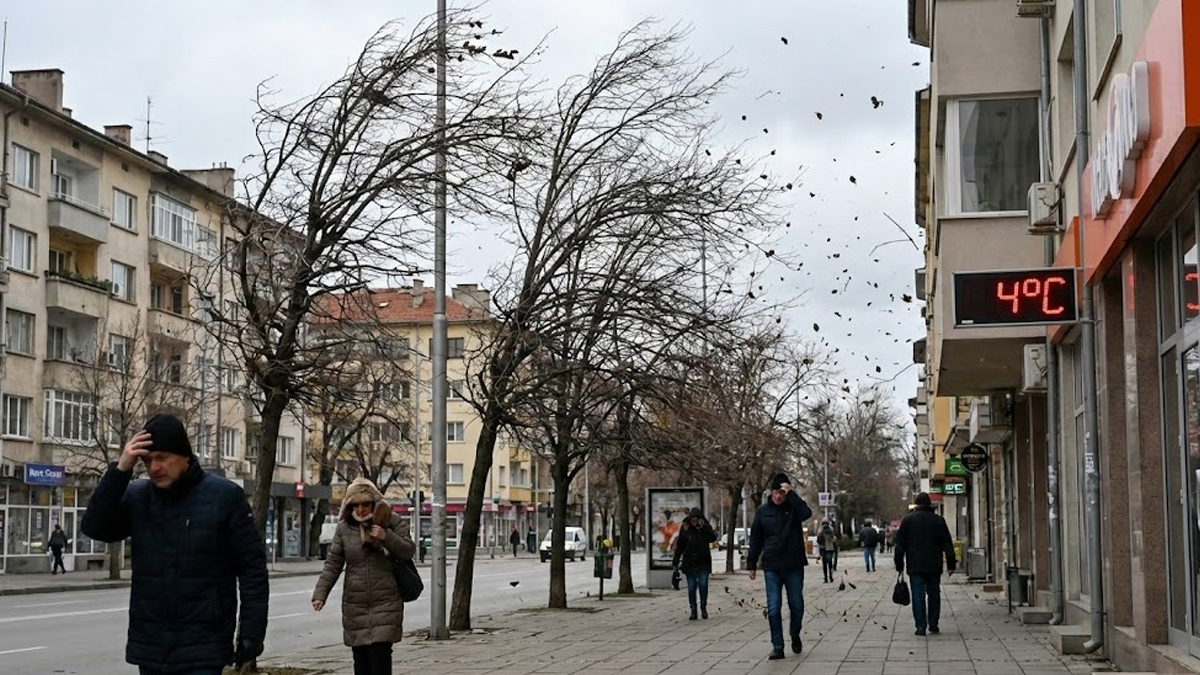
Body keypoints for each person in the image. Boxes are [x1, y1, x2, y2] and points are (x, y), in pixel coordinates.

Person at [81, 413, 268, 674]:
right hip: (151, 646)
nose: (154, 467)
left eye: (162, 458)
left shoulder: (224, 497)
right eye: (147, 460)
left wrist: (251, 633)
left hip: (203, 646)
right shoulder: (138, 497)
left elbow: (252, 570)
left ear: (184, 455)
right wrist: (120, 470)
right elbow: (96, 527)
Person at [312, 477, 416, 675]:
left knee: (380, 658)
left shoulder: (392, 522)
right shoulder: (344, 528)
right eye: (356, 505)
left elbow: (408, 550)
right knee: (361, 662)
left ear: (374, 503)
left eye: (365, 504)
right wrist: (320, 594)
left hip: (386, 600)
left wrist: (386, 536)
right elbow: (333, 563)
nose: (360, 509)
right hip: (355, 603)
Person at [747, 473, 812, 661]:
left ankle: (795, 634)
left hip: (793, 564)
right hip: (772, 565)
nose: (778, 496)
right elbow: (756, 539)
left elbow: (806, 514)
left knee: (796, 605)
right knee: (774, 608)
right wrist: (752, 564)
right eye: (776, 492)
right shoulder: (763, 512)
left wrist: (792, 495)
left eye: (782, 493)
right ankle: (777, 646)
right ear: (771, 492)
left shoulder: (794, 508)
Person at [894, 492, 957, 636]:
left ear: (916, 504)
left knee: (918, 595)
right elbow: (947, 543)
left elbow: (900, 545)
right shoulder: (938, 520)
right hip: (934, 565)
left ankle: (920, 626)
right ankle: (933, 623)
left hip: (915, 565)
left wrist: (899, 565)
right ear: (929, 504)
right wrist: (951, 564)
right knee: (934, 594)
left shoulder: (908, 520)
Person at [671, 507, 718, 620]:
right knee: (691, 587)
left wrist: (704, 527)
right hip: (689, 562)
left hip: (703, 562)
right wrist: (675, 562)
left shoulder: (704, 528)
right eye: (693, 519)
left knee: (703, 585)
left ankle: (703, 606)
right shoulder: (685, 528)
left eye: (696, 520)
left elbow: (712, 538)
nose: (694, 522)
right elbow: (680, 546)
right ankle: (693, 609)